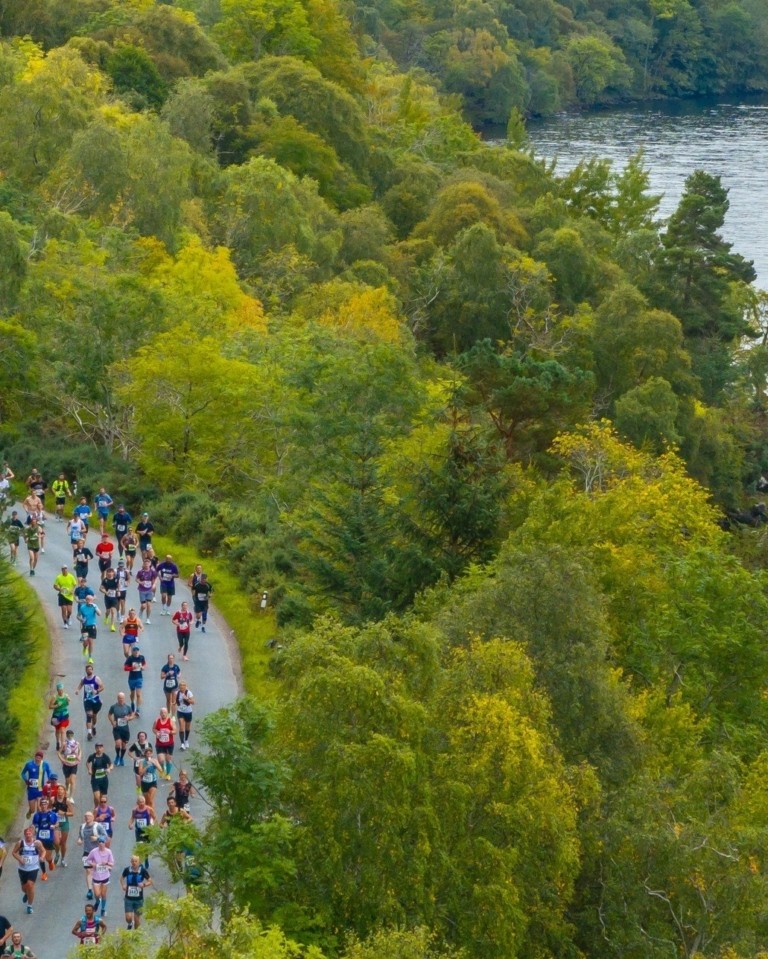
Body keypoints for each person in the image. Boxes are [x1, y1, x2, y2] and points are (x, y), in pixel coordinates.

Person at [13, 827, 45, 914]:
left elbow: (43, 851)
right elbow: (14, 852)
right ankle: (27, 893)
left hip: (33, 868)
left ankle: (29, 906)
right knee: (24, 888)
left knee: (30, 885)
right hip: (22, 869)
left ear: (32, 834)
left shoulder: (37, 843)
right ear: (24, 835)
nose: (28, 835)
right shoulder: (20, 843)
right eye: (26, 834)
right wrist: (20, 859)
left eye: (29, 833)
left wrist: (42, 857)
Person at [77, 811, 107, 901]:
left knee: (98, 871)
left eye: (89, 816)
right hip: (87, 852)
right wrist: (79, 840)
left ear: (93, 817)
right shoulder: (82, 827)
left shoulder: (98, 826)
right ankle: (90, 890)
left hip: (98, 852)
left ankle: (99, 889)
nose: (87, 818)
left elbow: (105, 836)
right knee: (88, 871)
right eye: (85, 816)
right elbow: (80, 837)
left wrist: (97, 838)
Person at [121, 854, 152, 930]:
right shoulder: (127, 870)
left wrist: (144, 884)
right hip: (128, 898)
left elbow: (150, 881)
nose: (134, 863)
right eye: (133, 861)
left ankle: (136, 934)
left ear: (139, 862)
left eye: (136, 861)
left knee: (137, 918)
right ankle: (130, 923)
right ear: (130, 861)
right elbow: (121, 878)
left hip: (139, 899)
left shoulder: (142, 871)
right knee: (128, 917)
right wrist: (123, 885)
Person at [85, 836, 113, 918]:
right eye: (99, 843)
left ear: (105, 843)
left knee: (103, 894)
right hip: (96, 876)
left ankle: (103, 909)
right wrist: (93, 864)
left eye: (102, 843)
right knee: (97, 894)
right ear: (98, 844)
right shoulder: (94, 851)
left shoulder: (108, 852)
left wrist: (107, 863)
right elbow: (88, 860)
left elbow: (112, 863)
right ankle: (98, 901)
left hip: (105, 875)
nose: (101, 844)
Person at [76, 662, 105, 742]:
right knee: (89, 715)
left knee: (94, 715)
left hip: (95, 700)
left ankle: (94, 726)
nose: (89, 670)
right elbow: (80, 685)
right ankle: (89, 733)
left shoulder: (96, 678)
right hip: (87, 700)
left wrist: (97, 691)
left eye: (90, 669)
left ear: (92, 670)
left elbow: (102, 687)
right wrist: (78, 690)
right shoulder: (84, 679)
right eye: (88, 669)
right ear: (86, 670)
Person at [21, 750, 52, 820]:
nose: (38, 759)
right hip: (31, 790)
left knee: (39, 808)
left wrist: (50, 778)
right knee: (33, 810)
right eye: (37, 757)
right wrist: (26, 780)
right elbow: (23, 773)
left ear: (42, 758)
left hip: (40, 790)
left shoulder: (45, 765)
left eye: (39, 758)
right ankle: (29, 812)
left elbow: (49, 772)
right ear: (35, 757)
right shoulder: (29, 764)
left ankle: (39, 823)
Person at [31, 797, 58, 878]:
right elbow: (33, 825)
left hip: (49, 839)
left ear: (47, 805)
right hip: (40, 839)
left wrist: (54, 826)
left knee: (47, 857)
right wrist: (33, 832)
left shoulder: (52, 814)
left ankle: (50, 862)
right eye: (42, 804)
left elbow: (57, 823)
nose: (43, 806)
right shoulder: (37, 815)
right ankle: (44, 873)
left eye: (45, 804)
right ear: (40, 805)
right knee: (41, 857)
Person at [108, 692, 136, 766]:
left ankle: (121, 758)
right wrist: (112, 722)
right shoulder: (113, 707)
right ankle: (117, 755)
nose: (121, 700)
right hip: (116, 728)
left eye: (122, 698)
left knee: (123, 745)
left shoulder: (127, 707)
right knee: (118, 743)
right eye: (120, 698)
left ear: (124, 698)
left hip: (125, 729)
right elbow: (109, 714)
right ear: (117, 698)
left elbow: (133, 715)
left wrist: (129, 718)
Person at [52, 783, 74, 867]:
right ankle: (57, 853)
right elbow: (49, 809)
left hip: (64, 822)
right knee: (56, 841)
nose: (60, 791)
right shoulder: (53, 800)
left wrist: (63, 813)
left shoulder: (67, 801)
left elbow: (72, 813)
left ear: (64, 792)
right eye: (59, 790)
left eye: (62, 790)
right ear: (57, 791)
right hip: (55, 823)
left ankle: (63, 859)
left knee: (63, 842)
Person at [152, 707, 176, 779]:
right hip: (160, 744)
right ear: (160, 714)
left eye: (165, 713)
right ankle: (162, 769)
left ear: (167, 713)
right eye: (162, 713)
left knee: (168, 760)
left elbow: (175, 731)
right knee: (161, 760)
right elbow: (153, 729)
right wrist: (156, 733)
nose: (163, 714)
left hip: (169, 744)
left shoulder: (170, 721)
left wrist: (170, 732)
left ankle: (168, 774)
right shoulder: (157, 721)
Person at [58, 728, 81, 798]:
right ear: (67, 735)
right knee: (67, 781)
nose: (70, 736)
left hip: (74, 764)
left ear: (73, 735)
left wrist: (79, 757)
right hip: (66, 765)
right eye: (68, 734)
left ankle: (71, 797)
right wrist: (62, 759)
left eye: (71, 734)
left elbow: (80, 750)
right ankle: (67, 790)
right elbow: (59, 752)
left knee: (72, 781)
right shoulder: (64, 744)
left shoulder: (77, 743)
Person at [124, 644, 147, 715]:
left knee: (138, 694)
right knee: (132, 694)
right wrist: (132, 668)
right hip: (131, 678)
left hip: (139, 678)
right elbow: (125, 668)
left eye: (137, 650)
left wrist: (143, 667)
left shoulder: (141, 657)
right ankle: (132, 702)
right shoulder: (130, 658)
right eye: (134, 650)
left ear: (139, 651)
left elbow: (145, 664)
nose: (136, 652)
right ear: (132, 651)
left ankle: (138, 709)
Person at [53, 564, 77, 628]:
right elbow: (55, 586)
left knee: (69, 611)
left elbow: (74, 584)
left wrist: (72, 590)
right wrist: (59, 589)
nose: (65, 570)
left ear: (67, 569)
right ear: (62, 570)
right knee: (63, 609)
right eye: (63, 569)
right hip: (62, 595)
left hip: (69, 595)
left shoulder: (71, 576)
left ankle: (68, 618)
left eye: (66, 568)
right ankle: (65, 623)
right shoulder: (59, 577)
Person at [48, 682, 70, 751]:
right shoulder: (55, 697)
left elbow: (68, 703)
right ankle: (58, 742)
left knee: (63, 730)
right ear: (57, 690)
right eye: (59, 690)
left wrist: (68, 700)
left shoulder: (66, 695)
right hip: (56, 716)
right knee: (57, 730)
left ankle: (63, 746)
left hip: (64, 715)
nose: (61, 691)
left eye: (62, 690)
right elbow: (50, 706)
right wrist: (57, 705)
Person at [79, 595, 102, 659]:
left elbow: (99, 614)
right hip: (85, 627)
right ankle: (84, 648)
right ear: (86, 600)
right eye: (88, 600)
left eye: (91, 600)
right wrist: (81, 619)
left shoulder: (94, 606)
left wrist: (95, 607)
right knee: (86, 642)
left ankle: (90, 657)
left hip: (92, 626)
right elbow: (78, 616)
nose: (89, 601)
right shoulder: (82, 607)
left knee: (91, 642)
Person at [135, 559, 157, 624]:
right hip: (142, 590)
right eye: (145, 563)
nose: (147, 564)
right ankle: (141, 611)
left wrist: (154, 584)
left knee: (149, 605)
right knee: (144, 606)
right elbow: (136, 579)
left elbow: (155, 579)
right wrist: (140, 582)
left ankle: (148, 619)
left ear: (150, 564)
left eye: (148, 563)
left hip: (149, 590)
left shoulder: (152, 572)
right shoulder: (140, 572)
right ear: (144, 564)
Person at [175, 681, 195, 751]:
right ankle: (182, 743)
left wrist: (187, 699)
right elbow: (175, 700)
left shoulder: (189, 693)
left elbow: (193, 702)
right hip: (180, 711)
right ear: (179, 687)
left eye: (183, 687)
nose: (182, 688)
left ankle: (186, 740)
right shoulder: (177, 693)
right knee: (181, 726)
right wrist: (173, 703)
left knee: (187, 727)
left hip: (188, 711)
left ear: (185, 687)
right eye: (180, 687)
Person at [99, 566, 119, 632]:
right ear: (107, 573)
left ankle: (112, 625)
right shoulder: (105, 580)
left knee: (113, 611)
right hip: (107, 597)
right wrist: (105, 592)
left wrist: (118, 592)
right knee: (108, 611)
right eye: (109, 572)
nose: (110, 574)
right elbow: (100, 588)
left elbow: (118, 587)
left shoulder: (116, 579)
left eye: (111, 572)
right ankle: (106, 617)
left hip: (114, 597)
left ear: (113, 573)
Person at [116, 558, 131, 622]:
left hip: (123, 589)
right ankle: (118, 612)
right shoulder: (115, 571)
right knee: (117, 603)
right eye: (120, 566)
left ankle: (122, 617)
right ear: (118, 565)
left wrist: (128, 583)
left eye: (122, 566)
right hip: (117, 589)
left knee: (123, 603)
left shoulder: (126, 572)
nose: (121, 567)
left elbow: (128, 579)